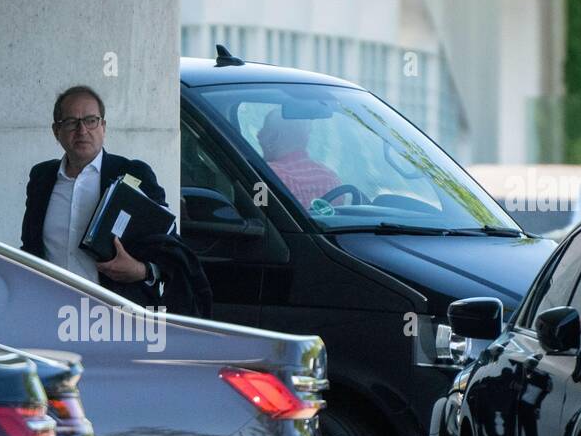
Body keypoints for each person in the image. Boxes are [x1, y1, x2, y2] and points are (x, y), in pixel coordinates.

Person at [21, 85, 211, 316]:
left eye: (91, 120)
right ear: (56, 131)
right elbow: (31, 247)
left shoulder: (133, 174)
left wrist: (142, 271)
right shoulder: (42, 177)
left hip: (117, 317)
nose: (82, 130)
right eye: (71, 122)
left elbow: (169, 246)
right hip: (50, 312)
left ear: (103, 127)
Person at [256, 107, 344, 209]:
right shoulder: (331, 179)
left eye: (264, 130)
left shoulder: (265, 176)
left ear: (274, 137)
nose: (258, 135)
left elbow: (255, 217)